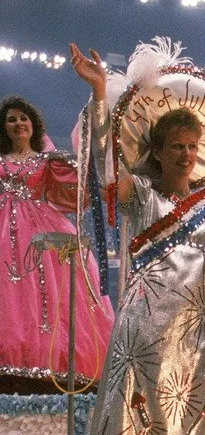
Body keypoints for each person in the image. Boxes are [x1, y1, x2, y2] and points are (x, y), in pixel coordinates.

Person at [70, 38, 205, 434]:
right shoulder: (140, 194)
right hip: (143, 331)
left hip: (197, 337)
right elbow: (104, 167)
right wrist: (100, 93)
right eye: (176, 146)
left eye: (192, 146)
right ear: (157, 151)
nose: (186, 154)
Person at [0, 92, 114, 394]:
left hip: (40, 230)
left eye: (23, 118)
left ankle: (47, 361)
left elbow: (79, 188)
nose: (18, 123)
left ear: (33, 125)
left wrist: (105, 184)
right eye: (11, 120)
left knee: (49, 294)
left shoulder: (47, 161)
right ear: (4, 127)